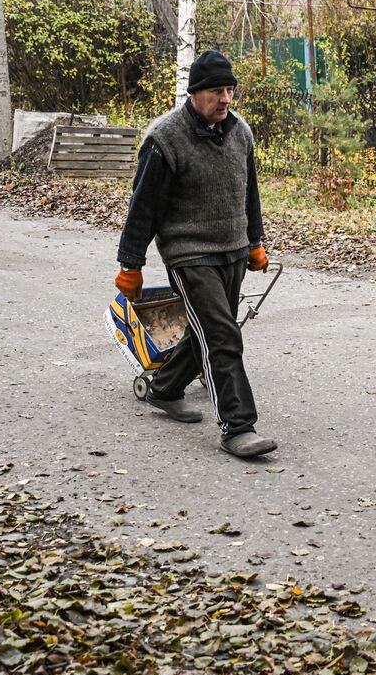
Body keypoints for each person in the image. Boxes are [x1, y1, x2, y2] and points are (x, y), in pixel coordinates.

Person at [114, 50, 278, 459]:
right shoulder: (165, 139)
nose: (225, 100)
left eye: (230, 91)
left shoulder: (241, 132)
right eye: (217, 92)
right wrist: (130, 265)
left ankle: (164, 387)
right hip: (189, 252)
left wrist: (254, 240)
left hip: (233, 248)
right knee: (223, 335)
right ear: (195, 94)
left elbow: (249, 193)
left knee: (208, 330)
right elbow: (143, 208)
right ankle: (238, 427)